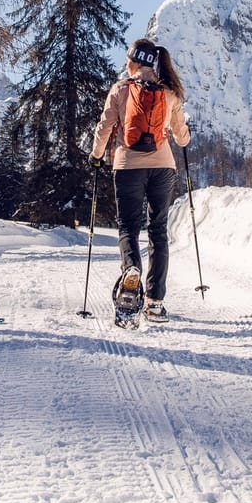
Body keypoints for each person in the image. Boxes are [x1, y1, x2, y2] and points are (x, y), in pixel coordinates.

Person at [90, 37, 191, 321]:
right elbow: (182, 138)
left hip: (127, 166)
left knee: (128, 227)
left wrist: (96, 156)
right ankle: (155, 302)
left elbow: (105, 126)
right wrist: (183, 132)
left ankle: (131, 274)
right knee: (158, 231)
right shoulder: (169, 93)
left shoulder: (121, 90)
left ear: (134, 61)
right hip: (163, 169)